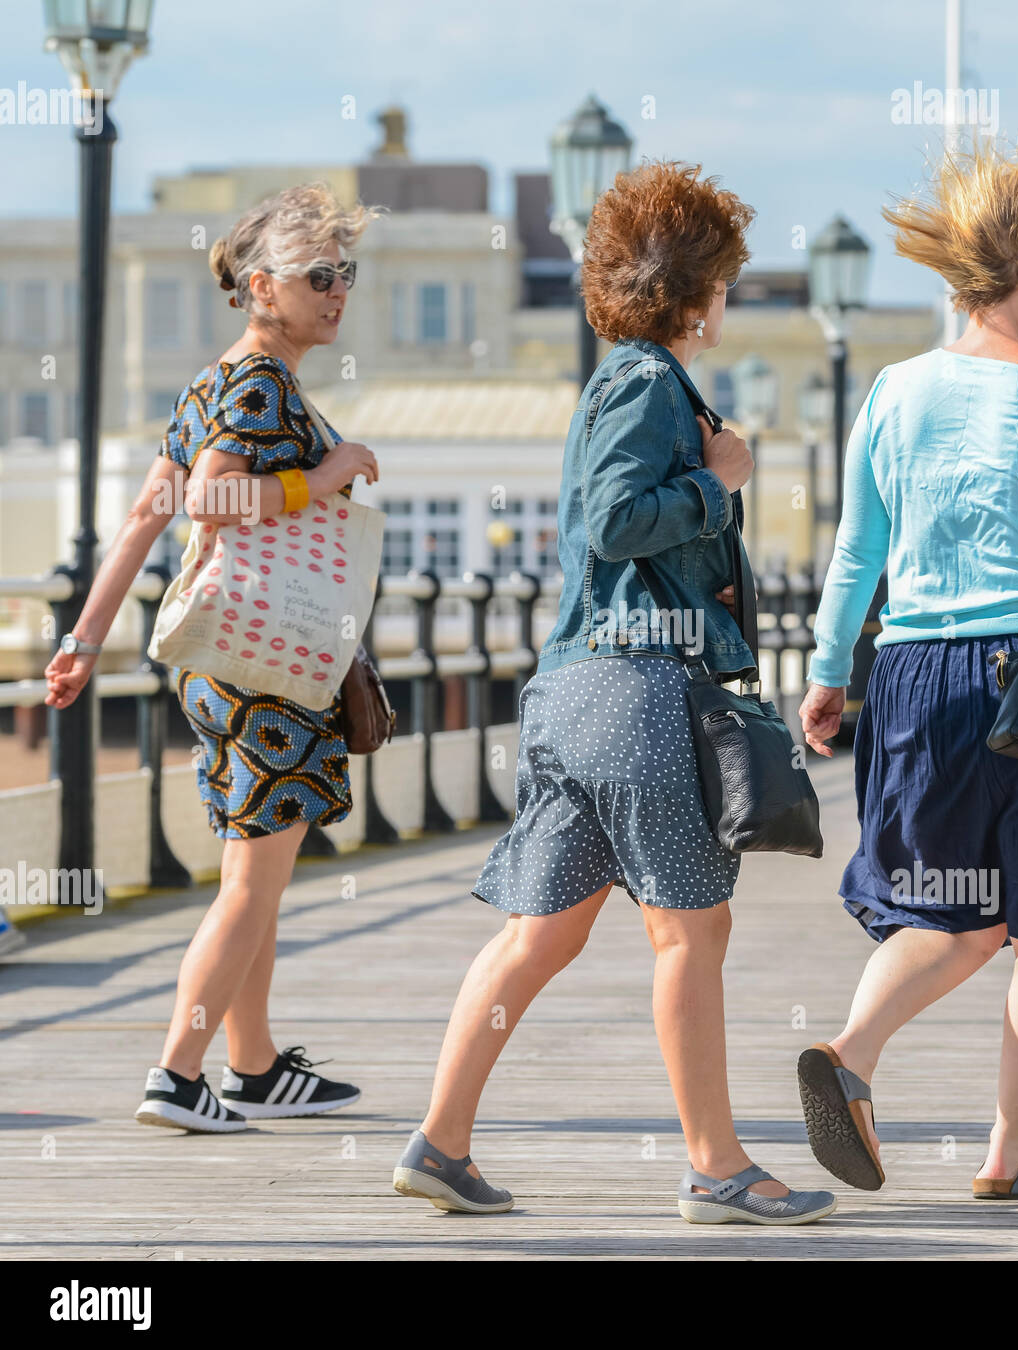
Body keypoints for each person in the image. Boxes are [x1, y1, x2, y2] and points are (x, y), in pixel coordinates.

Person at [392, 161, 836, 1225]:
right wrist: (716, 484)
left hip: (573, 691)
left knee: (538, 934)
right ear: (697, 290)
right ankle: (716, 1165)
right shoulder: (646, 383)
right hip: (638, 693)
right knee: (692, 932)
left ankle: (440, 1142)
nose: (729, 295)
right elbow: (617, 521)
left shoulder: (624, 382)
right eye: (725, 278)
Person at [796, 141, 1018, 1200]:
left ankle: (852, 1053)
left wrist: (826, 674)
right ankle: (1004, 1156)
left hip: (914, 680)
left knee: (948, 909)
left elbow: (856, 552)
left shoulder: (891, 393)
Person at [44, 184, 381, 1132]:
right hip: (262, 665)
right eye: (320, 274)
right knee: (250, 886)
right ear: (262, 287)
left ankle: (255, 1063)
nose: (338, 290)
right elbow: (210, 504)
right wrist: (328, 472)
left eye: (345, 272)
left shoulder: (211, 381)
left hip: (223, 660)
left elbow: (146, 516)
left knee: (255, 875)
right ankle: (177, 1074)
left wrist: (81, 640)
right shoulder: (258, 385)